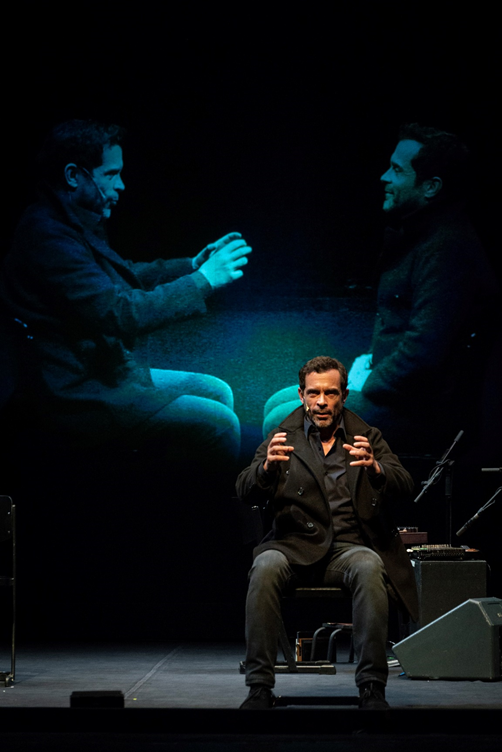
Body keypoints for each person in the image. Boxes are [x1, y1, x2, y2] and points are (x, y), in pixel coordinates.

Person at [1, 120, 252, 465]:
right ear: (73, 176)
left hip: (98, 370)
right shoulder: (47, 236)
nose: (121, 185)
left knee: (217, 391)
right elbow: (120, 312)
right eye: (111, 174)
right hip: (76, 394)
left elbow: (121, 274)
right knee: (220, 424)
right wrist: (204, 280)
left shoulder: (72, 221)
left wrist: (192, 265)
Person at [262, 125, 498, 454]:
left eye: (397, 170)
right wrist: (370, 362)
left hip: (420, 410)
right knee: (279, 402)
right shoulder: (422, 236)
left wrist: (366, 384)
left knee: (284, 421)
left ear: (430, 186)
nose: (384, 177)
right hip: (401, 395)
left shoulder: (447, 249)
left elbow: (423, 353)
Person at [237, 356, 418, 710]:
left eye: (330, 393)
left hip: (347, 548)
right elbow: (244, 488)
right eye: (314, 393)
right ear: (301, 395)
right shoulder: (282, 437)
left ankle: (371, 686)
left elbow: (405, 483)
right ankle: (259, 686)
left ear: (344, 396)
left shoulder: (366, 436)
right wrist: (266, 468)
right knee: (264, 567)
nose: (322, 401)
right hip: (291, 545)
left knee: (369, 566)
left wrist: (377, 469)